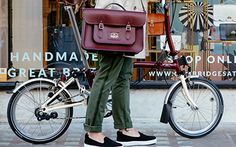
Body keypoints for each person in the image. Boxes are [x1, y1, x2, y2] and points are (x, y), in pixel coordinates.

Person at [84, 0, 157, 146]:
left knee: (123, 77)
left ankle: (125, 128)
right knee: (106, 75)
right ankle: (93, 132)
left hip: (129, 19)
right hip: (115, 18)